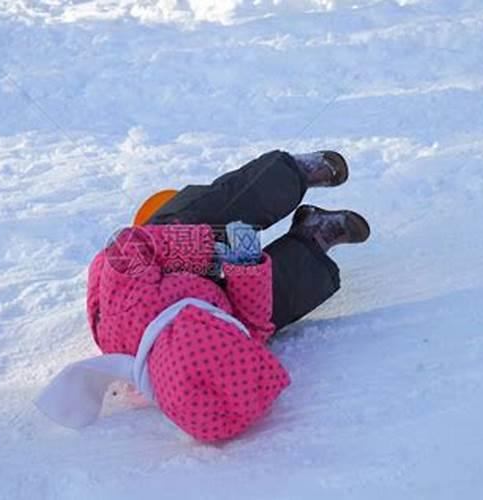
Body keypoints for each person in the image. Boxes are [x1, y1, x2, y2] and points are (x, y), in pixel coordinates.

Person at [35, 150, 370, 443]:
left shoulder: (133, 308)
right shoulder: (219, 349)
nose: (240, 335)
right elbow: (253, 323)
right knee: (273, 307)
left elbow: (129, 248)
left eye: (227, 328)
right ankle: (311, 236)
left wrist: (208, 249)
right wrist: (247, 267)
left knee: (219, 211)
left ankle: (290, 173)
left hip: (155, 255)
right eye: (238, 337)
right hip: (199, 297)